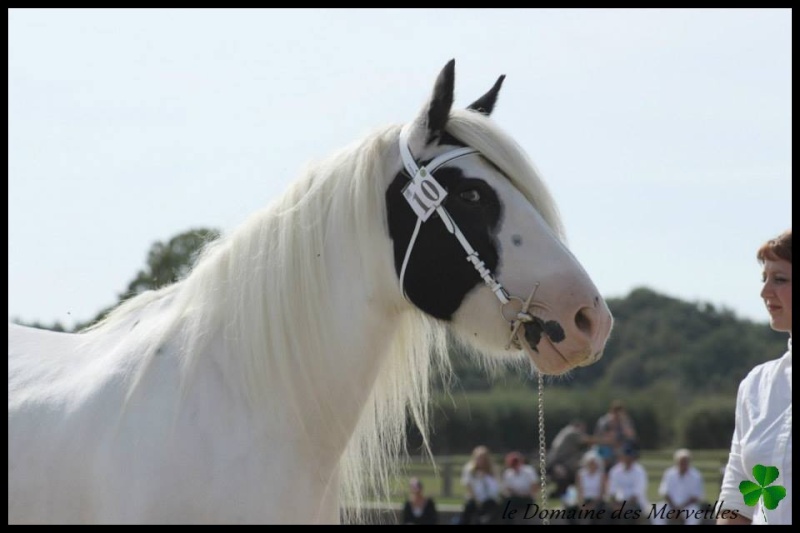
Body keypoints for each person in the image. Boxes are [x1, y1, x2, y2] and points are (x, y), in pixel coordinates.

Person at [718, 228, 792, 526]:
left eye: (780, 280)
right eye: (764, 279)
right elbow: (737, 501)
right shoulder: (755, 386)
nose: (764, 292)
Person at [651, 448, 705, 525]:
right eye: (681, 461)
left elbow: (695, 497)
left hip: (688, 506)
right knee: (657, 511)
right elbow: (665, 492)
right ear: (676, 461)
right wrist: (674, 508)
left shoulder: (696, 475)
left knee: (694, 515)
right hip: (671, 505)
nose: (683, 463)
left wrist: (680, 509)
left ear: (689, 462)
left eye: (685, 461)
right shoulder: (669, 473)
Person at [546, 419, 594, 498]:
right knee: (569, 476)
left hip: (557, 463)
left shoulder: (565, 431)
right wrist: (607, 441)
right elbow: (587, 440)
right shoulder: (572, 432)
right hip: (558, 464)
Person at [605, 443, 649, 524]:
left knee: (627, 513)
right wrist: (615, 504)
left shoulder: (640, 471)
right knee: (604, 512)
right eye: (626, 456)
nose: (628, 459)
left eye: (630, 456)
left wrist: (622, 506)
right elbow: (611, 492)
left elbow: (636, 495)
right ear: (622, 457)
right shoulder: (615, 471)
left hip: (635, 504)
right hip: (618, 503)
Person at [458, 445, 501, 525]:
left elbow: (495, 487)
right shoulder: (469, 469)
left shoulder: (492, 471)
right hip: (475, 500)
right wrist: (477, 500)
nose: (481, 461)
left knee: (494, 511)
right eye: (479, 458)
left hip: (489, 500)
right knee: (469, 508)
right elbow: (468, 486)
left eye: (483, 458)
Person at [593, 399, 637, 471]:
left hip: (620, 448)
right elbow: (598, 437)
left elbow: (631, 436)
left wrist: (624, 423)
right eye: (616, 411)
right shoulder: (604, 421)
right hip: (605, 447)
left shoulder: (625, 421)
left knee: (627, 453)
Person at [500, 451, 540, 524]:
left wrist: (528, 494)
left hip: (527, 498)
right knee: (506, 501)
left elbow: (534, 486)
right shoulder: (508, 473)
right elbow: (507, 489)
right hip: (514, 498)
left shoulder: (529, 471)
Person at [571, 450, 607, 525]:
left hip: (597, 501)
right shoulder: (580, 474)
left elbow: (602, 492)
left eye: (593, 463)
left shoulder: (601, 475)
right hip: (584, 500)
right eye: (590, 463)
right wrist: (581, 504)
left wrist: (592, 505)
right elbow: (579, 490)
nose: (592, 465)